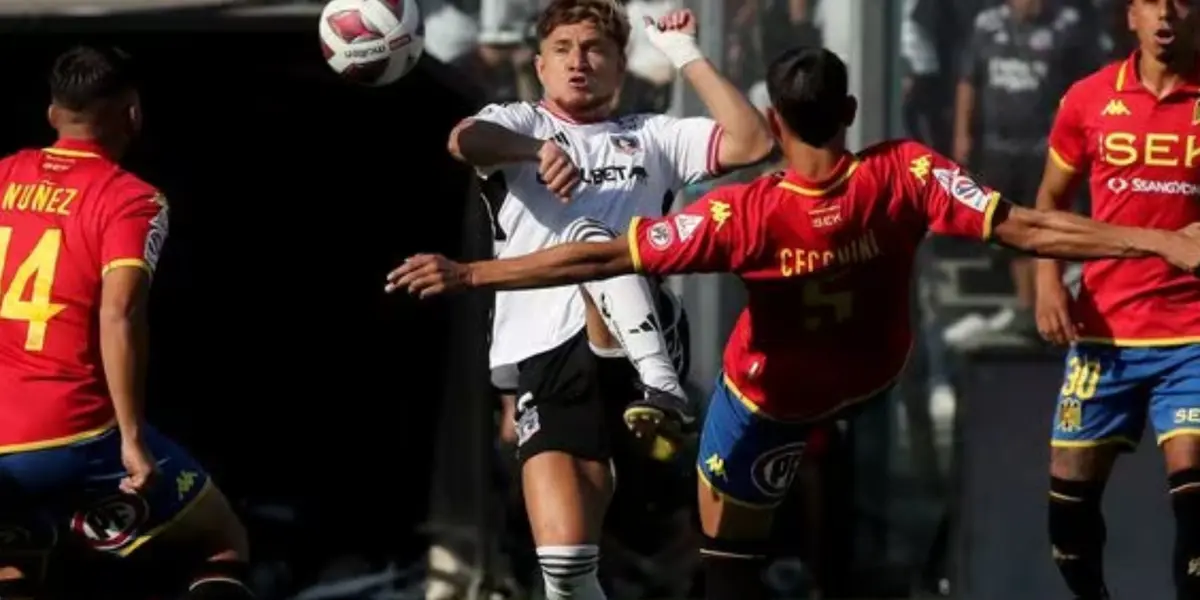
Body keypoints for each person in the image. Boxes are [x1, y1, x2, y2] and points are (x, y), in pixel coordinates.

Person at [386, 46, 1200, 600]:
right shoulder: (908, 171)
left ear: (774, 122)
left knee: (728, 562)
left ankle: (667, 411)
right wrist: (1162, 239)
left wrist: (472, 273)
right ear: (849, 108)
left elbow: (598, 258)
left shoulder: (742, 214)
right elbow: (1029, 226)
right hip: (870, 374)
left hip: (763, 402)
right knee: (816, 512)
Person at [445, 0, 772, 598]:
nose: (578, 62)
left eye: (595, 49)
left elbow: (752, 142)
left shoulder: (650, 136)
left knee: (594, 240)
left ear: (620, 67)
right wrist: (533, 151)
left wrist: (685, 54)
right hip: (547, 362)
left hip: (639, 349)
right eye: (564, 49)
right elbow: (465, 140)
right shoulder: (521, 123)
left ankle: (664, 390)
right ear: (539, 65)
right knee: (566, 572)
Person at [0, 46, 251, 599]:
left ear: (51, 115)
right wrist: (132, 440)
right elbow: (120, 313)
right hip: (72, 434)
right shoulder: (131, 201)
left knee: (15, 559)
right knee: (219, 539)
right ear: (132, 113)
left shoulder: (3, 175)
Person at [1034, 1, 1200, 598]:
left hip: (1193, 334)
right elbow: (1050, 202)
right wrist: (1049, 281)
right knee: (1068, 519)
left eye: (1181, 2)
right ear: (1131, 15)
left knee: (1195, 496)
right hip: (1105, 332)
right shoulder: (1088, 99)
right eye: (1153, 2)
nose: (1168, 15)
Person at [950, 0, 1100, 344]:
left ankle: (1053, 302)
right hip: (999, 147)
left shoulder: (1067, 26)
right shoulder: (986, 24)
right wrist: (963, 134)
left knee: (1047, 222)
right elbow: (968, 81)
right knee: (1009, 227)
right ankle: (1025, 306)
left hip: (1046, 147)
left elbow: (1087, 84)